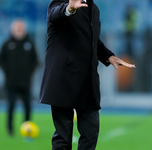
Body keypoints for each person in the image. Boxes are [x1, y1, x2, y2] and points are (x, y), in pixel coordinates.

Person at [38, 0, 135, 149]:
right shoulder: (62, 2)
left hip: (88, 80)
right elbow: (55, 15)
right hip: (64, 78)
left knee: (91, 132)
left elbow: (92, 41)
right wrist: (69, 9)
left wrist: (109, 56)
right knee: (63, 138)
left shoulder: (94, 8)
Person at [0, 20, 38, 136]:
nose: (19, 29)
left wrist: (29, 72)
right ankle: (10, 130)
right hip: (11, 82)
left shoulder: (29, 44)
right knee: (11, 106)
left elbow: (35, 61)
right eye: (17, 27)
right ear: (13, 29)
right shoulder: (7, 43)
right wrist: (7, 72)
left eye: (21, 27)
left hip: (26, 82)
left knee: (28, 107)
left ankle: (27, 129)